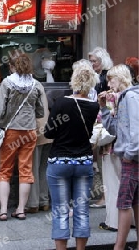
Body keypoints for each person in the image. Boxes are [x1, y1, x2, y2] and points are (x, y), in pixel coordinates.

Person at [44, 65, 100, 250]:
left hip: (60, 160)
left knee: (60, 210)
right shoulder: (94, 106)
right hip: (84, 161)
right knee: (82, 210)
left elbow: (49, 133)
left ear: (74, 80)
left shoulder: (61, 103)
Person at [0, 53, 44, 221]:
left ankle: (3, 210)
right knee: (25, 170)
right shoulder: (35, 84)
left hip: (11, 131)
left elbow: (0, 111)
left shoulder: (7, 83)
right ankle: (21, 209)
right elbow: (41, 111)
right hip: (29, 131)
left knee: (5, 170)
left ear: (12, 66)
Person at [99, 64, 139, 250]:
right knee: (135, 202)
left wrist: (130, 154)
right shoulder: (123, 97)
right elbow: (114, 128)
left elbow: (136, 129)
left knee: (123, 202)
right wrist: (105, 108)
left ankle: (119, 247)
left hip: (131, 158)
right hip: (130, 156)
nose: (109, 83)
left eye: (111, 79)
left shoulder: (130, 97)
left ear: (121, 78)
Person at [88, 47, 113, 209]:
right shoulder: (100, 76)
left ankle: (106, 196)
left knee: (106, 158)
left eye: (94, 61)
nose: (91, 64)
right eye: (90, 61)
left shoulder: (106, 77)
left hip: (104, 121)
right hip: (102, 120)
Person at [25, 81, 52, 213]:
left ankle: (33, 203)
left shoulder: (24, 85)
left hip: (34, 130)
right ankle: (44, 200)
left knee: (32, 168)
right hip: (48, 128)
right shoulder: (38, 84)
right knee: (44, 168)